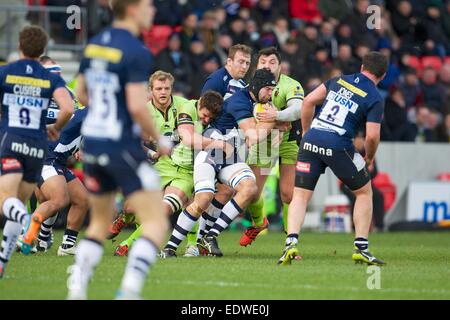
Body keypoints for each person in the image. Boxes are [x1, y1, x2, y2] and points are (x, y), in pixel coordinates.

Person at [66, 0, 171, 300]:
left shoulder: (96, 43)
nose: (154, 10)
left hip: (95, 144)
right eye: (150, 5)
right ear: (134, 8)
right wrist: (159, 141)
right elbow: (139, 106)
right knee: (156, 222)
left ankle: (78, 289)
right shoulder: (137, 50)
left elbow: (82, 93)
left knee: (98, 223)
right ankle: (129, 290)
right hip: (121, 145)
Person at [278, 52, 388, 266]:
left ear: (362, 65)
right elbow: (373, 136)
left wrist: (307, 132)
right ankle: (361, 248)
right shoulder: (374, 97)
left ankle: (290, 244)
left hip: (311, 140)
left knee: (300, 195)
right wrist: (369, 157)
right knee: (364, 192)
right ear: (382, 76)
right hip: (338, 144)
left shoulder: (339, 80)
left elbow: (308, 101)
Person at [160, 68, 277, 258]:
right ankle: (170, 247)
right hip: (211, 153)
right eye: (269, 89)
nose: (271, 94)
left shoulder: (253, 102)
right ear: (257, 86)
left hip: (230, 155)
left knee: (249, 188)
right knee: (204, 198)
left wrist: (274, 119)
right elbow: (254, 137)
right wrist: (274, 118)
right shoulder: (240, 101)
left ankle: (210, 236)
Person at [112, 71, 224, 258]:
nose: (163, 92)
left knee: (170, 206)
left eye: (167, 88)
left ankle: (134, 244)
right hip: (160, 164)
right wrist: (150, 152)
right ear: (151, 90)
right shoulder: (143, 112)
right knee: (131, 206)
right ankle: (125, 217)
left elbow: (200, 117)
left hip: (185, 169)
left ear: (172, 89)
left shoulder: (185, 106)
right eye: (158, 88)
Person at [0, 25, 74, 277]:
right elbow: (67, 108)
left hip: (12, 142)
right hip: (37, 147)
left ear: (19, 46)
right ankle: (2, 261)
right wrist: (55, 128)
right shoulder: (49, 77)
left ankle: (24, 217)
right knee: (18, 200)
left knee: (7, 202)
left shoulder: (6, 72)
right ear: (42, 49)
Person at [17, 56, 88, 256]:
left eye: (57, 70)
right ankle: (27, 234)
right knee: (57, 199)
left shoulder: (67, 95)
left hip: (58, 158)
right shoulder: (32, 96)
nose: (55, 74)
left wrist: (79, 145)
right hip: (40, 156)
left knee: (81, 199)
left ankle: (66, 245)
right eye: (50, 70)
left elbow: (76, 124)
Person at [240, 47, 305, 246]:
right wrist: (276, 122)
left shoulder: (291, 85)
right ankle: (260, 223)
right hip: (264, 144)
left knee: (288, 193)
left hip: (286, 142)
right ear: (256, 66)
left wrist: (276, 116)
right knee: (251, 193)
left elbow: (297, 110)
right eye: (263, 62)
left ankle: (290, 241)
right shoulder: (248, 86)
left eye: (272, 62)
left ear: (280, 66)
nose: (267, 66)